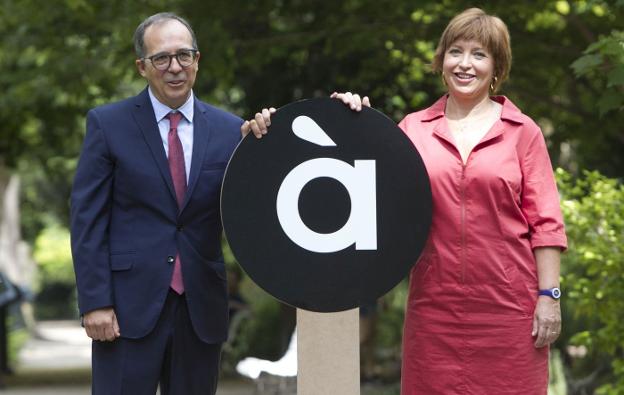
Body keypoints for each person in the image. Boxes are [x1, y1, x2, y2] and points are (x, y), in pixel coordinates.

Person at [247, 8, 567, 394]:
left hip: (509, 310)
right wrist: (350, 119)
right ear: (442, 59)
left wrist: (549, 297)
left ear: (497, 66)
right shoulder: (413, 129)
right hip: (435, 309)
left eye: (479, 54)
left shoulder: (522, 132)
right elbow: (360, 181)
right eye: (456, 51)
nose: (465, 64)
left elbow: (546, 223)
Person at [70, 12, 265, 394]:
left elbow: (256, 208)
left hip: (200, 309)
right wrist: (94, 302)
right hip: (125, 311)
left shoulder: (232, 131)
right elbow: (87, 220)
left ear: (197, 60)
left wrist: (272, 139)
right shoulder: (108, 125)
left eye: (184, 55)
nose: (174, 67)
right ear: (142, 66)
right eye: (162, 58)